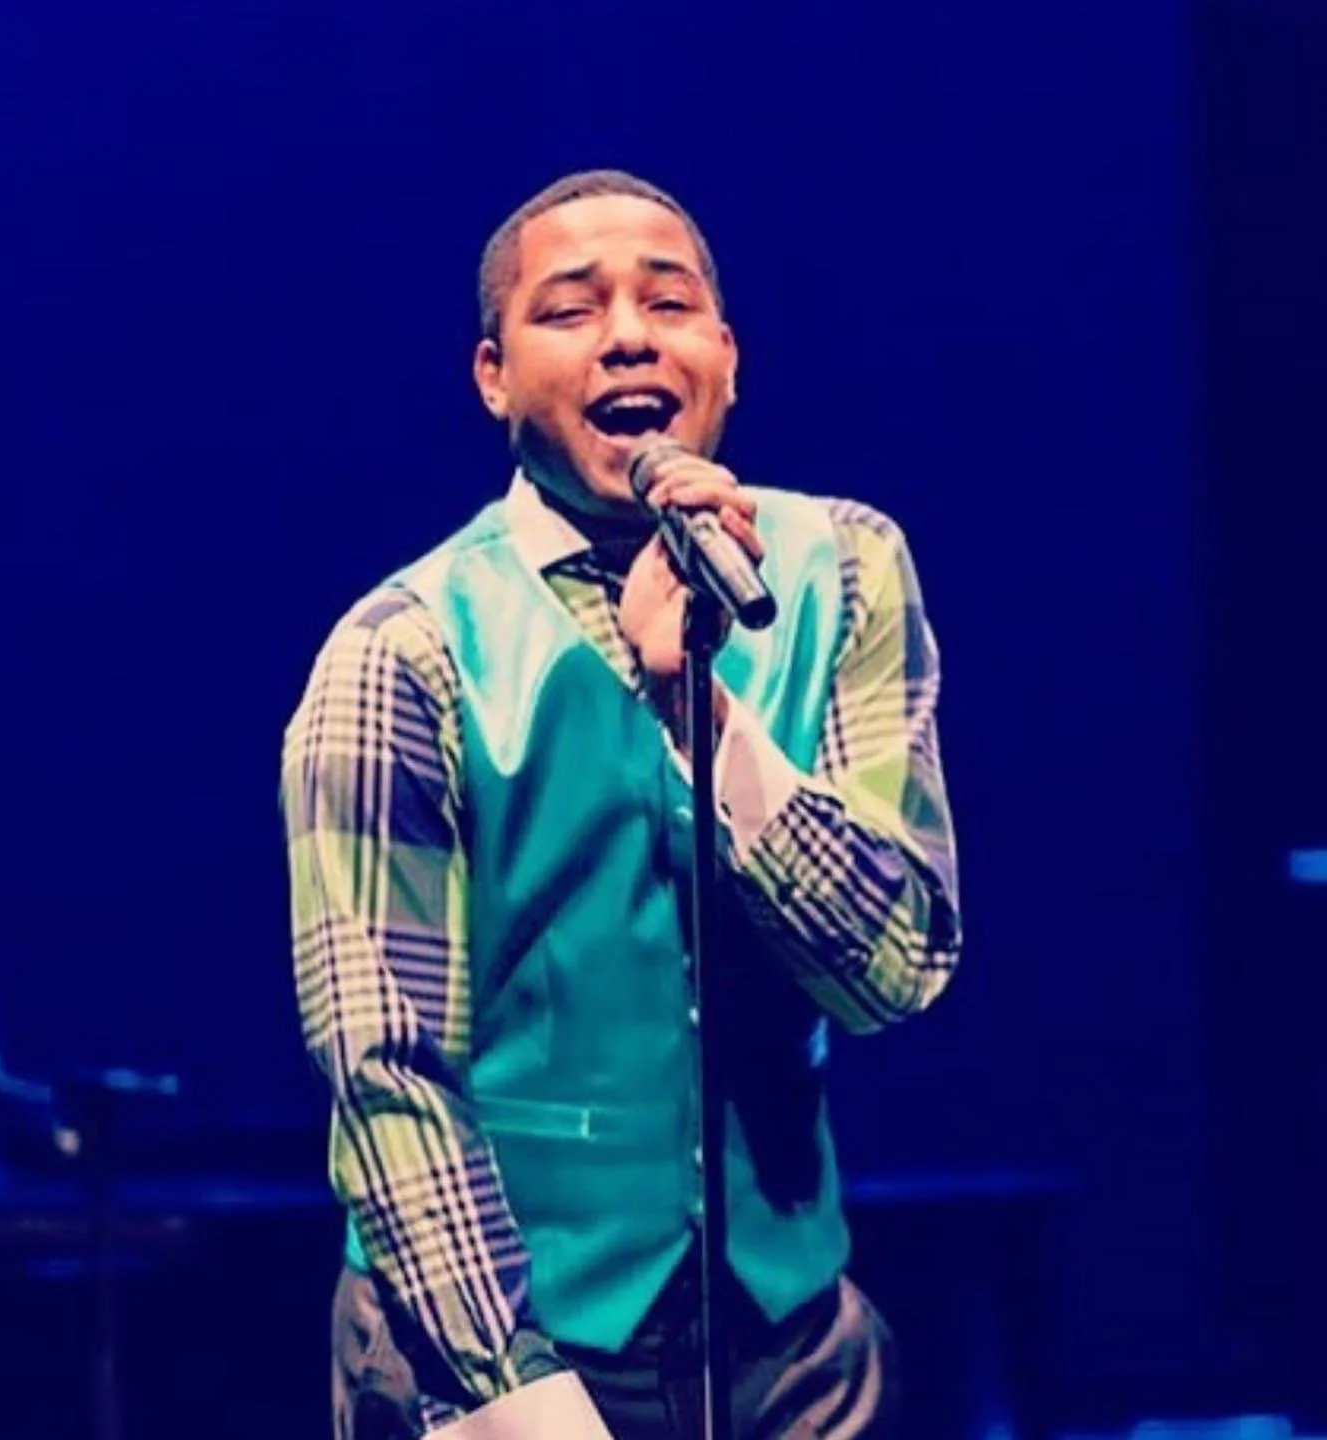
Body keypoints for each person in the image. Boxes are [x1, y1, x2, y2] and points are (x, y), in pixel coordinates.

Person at [282, 169, 962, 1439]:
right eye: (570, 310)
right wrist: (517, 1393)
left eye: (669, 302)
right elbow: (387, 1073)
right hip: (496, 1347)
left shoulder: (845, 570)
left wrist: (704, 719)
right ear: (492, 378)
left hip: (788, 1342)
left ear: (728, 357)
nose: (631, 338)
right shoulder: (402, 650)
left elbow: (895, 967)